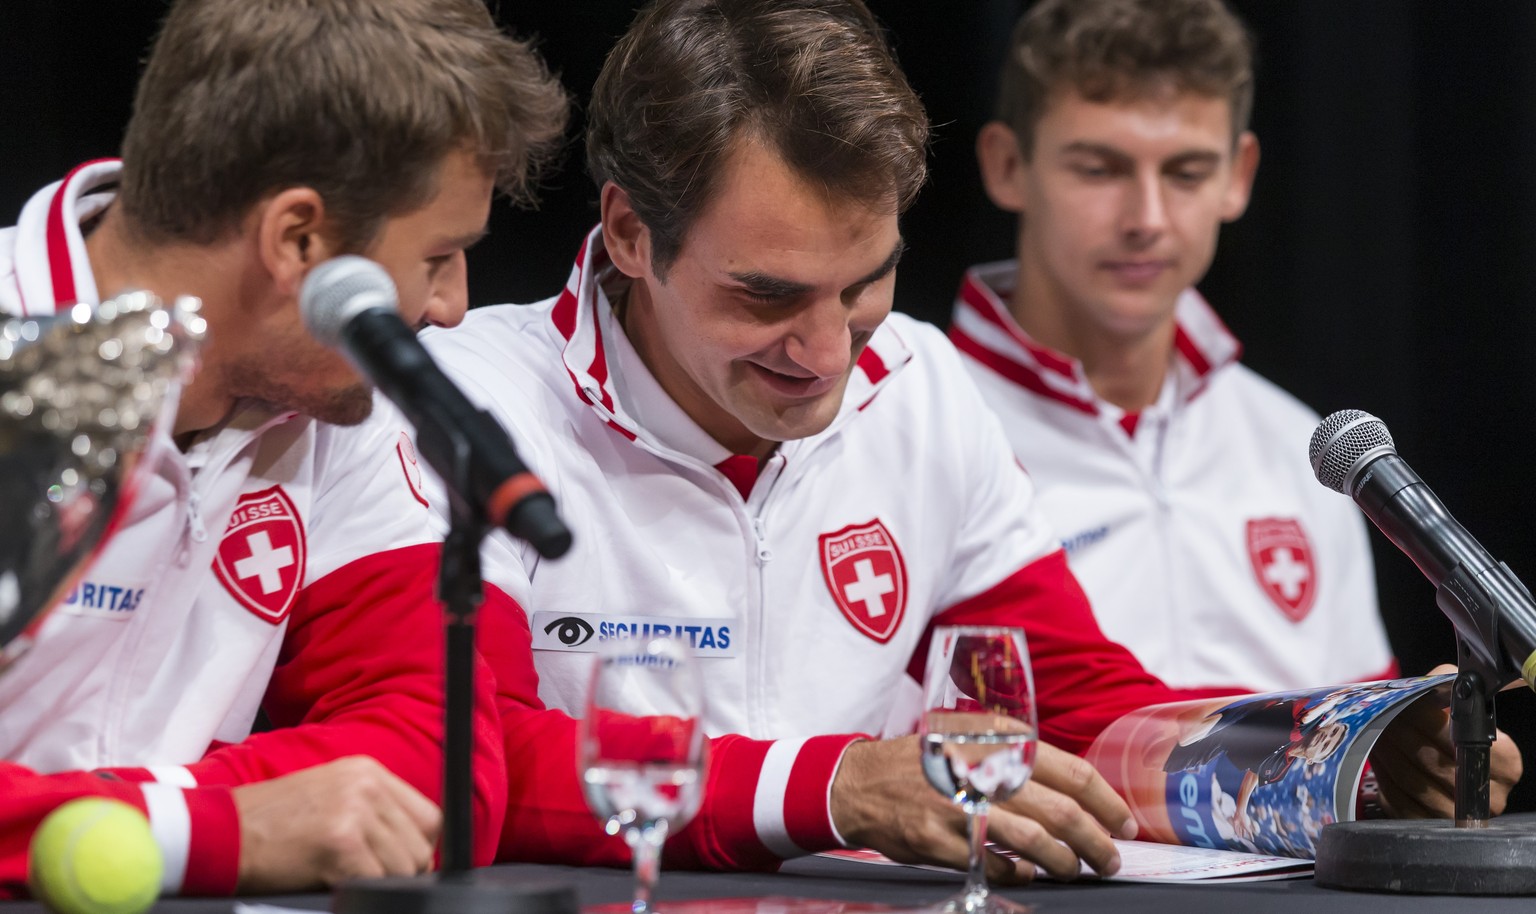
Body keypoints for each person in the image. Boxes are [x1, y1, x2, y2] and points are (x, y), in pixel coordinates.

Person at [414, 0, 1516, 886]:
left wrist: (1337, 760)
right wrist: (841, 785)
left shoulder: (922, 384)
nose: (826, 351)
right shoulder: (474, 392)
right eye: (766, 294)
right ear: (627, 233)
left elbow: (1082, 706)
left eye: (865, 284)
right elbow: (473, 756)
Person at [0, 0, 566, 896]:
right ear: (299, 241)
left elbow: (437, 760)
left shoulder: (336, 403)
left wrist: (118, 831)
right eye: (438, 255)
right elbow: (252, 825)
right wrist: (203, 829)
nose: (452, 307)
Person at [948, 0, 1396, 692]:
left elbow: (1366, 764)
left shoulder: (1297, 445)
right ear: (1008, 165)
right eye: (1099, 169)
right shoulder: (913, 429)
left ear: (1238, 176)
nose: (1147, 220)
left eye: (1186, 173)